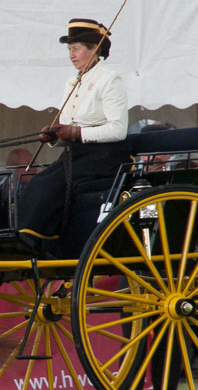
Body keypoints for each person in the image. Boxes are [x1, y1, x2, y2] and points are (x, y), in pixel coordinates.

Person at [17, 18, 131, 250]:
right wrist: (54, 137)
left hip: (105, 156)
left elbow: (118, 130)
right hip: (77, 154)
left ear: (94, 49)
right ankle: (31, 235)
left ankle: (33, 238)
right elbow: (67, 128)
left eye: (76, 48)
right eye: (69, 49)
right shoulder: (73, 82)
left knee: (45, 183)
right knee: (38, 181)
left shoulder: (109, 80)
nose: (71, 54)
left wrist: (77, 133)